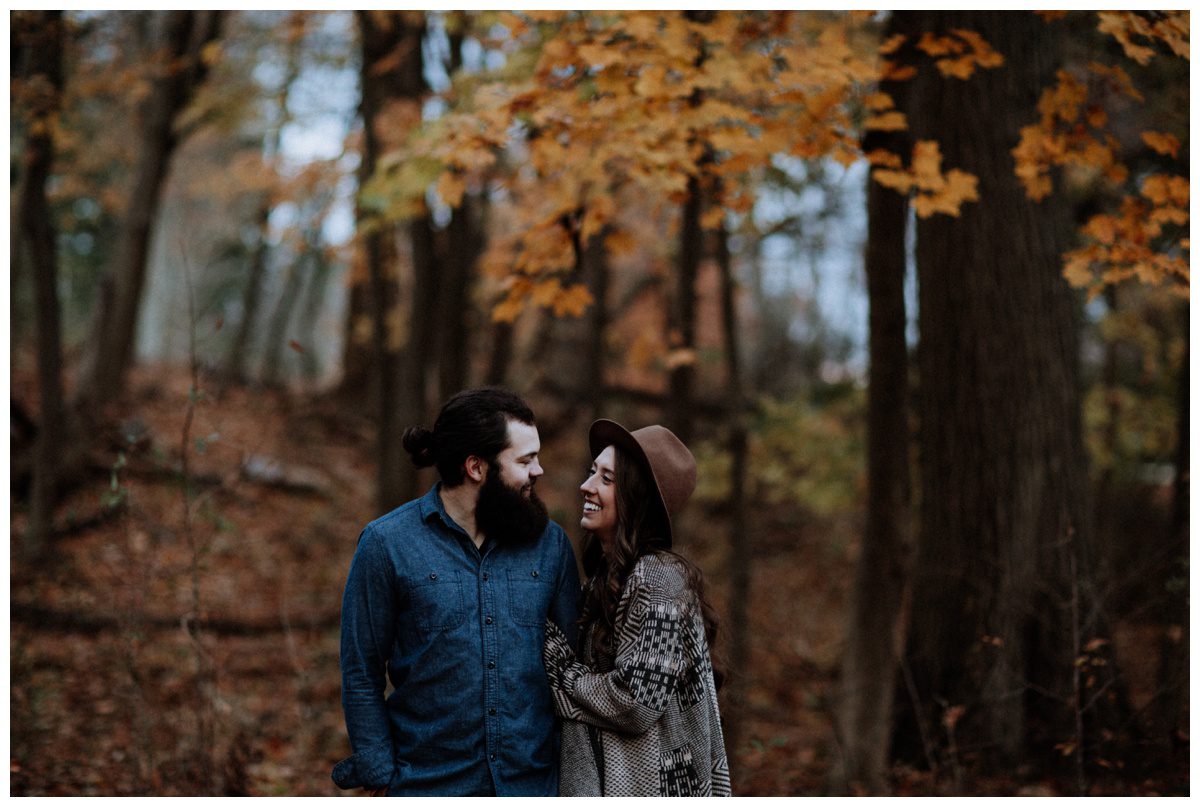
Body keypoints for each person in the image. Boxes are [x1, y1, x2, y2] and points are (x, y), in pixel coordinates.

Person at [333, 387, 580, 796]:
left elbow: (574, 667)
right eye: (525, 460)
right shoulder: (386, 544)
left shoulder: (550, 546)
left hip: (533, 787)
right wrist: (380, 774)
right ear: (476, 468)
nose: (538, 471)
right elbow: (361, 671)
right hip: (428, 786)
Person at [542, 419, 731, 796]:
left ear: (635, 496)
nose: (586, 485)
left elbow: (637, 702)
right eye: (592, 471)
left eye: (606, 479)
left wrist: (562, 672)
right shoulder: (606, 579)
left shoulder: (660, 579)